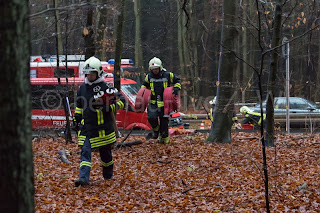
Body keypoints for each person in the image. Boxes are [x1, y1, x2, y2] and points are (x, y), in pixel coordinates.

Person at [72, 56, 126, 187]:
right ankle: (83, 178)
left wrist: (109, 107)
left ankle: (108, 175)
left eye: (92, 73)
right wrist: (76, 119)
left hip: (103, 129)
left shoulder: (106, 87)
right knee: (85, 152)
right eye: (87, 73)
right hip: (87, 129)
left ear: (98, 73)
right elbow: (79, 106)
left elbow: (122, 102)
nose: (89, 76)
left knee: (105, 154)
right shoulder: (82, 88)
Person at [142, 57, 181, 143]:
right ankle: (156, 130)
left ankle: (164, 141)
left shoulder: (168, 75)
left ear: (160, 67)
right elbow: (144, 85)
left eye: (156, 69)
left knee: (164, 123)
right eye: (153, 69)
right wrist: (142, 93)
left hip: (165, 104)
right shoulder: (148, 77)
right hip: (153, 103)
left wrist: (176, 89)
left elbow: (177, 81)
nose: (155, 71)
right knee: (151, 118)